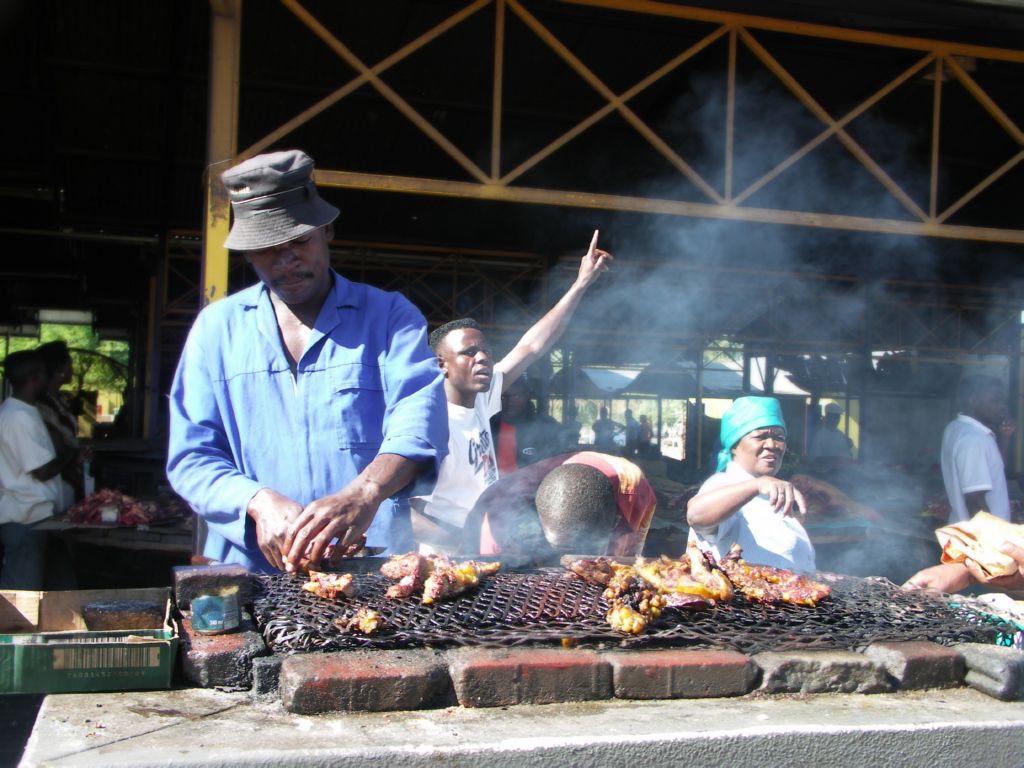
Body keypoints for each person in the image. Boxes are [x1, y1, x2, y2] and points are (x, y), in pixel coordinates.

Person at [166, 149, 448, 574]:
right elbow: (191, 456)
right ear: (246, 253)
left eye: (299, 241)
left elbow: (420, 419)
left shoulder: (389, 317)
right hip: (254, 570)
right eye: (266, 249)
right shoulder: (216, 330)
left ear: (326, 229)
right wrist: (256, 501)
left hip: (371, 566)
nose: (286, 261)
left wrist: (366, 491)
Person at [415, 231, 612, 552]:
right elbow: (405, 515)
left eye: (486, 351)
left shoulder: (481, 399)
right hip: (447, 560)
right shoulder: (427, 423)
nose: (482, 357)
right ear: (441, 365)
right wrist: (465, 542)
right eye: (468, 352)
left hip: (487, 547)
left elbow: (532, 345)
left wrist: (580, 284)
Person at [687, 396, 815, 573]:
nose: (771, 444)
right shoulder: (723, 483)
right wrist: (758, 485)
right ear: (734, 445)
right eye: (760, 436)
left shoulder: (770, 490)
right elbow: (695, 515)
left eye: (779, 437)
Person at [465, 451, 656, 564]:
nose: (570, 558)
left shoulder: (632, 490)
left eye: (586, 544)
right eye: (561, 548)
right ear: (537, 520)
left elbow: (627, 557)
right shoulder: (500, 509)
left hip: (624, 485)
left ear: (614, 523)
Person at [0, 350, 80, 588]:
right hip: (25, 519)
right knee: (22, 594)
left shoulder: (23, 411)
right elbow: (42, 471)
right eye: (45, 373)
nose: (49, 379)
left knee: (60, 588)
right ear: (35, 377)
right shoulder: (17, 417)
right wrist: (69, 455)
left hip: (40, 517)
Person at [939, 374, 1014, 525]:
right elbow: (975, 501)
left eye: (1002, 400)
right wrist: (992, 541)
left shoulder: (956, 427)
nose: (1002, 406)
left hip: (963, 532)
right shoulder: (975, 440)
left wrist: (1005, 438)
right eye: (995, 400)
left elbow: (996, 470)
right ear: (972, 401)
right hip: (980, 541)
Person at [35, 341, 88, 499]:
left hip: (65, 479)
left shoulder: (58, 401)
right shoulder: (41, 405)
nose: (72, 368)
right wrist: (73, 456)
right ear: (59, 368)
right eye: (69, 363)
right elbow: (55, 446)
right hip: (56, 483)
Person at [491, 375, 565, 474]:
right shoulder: (489, 425)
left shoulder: (546, 426)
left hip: (534, 487)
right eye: (504, 396)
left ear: (527, 395)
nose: (510, 402)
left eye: (516, 396)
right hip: (493, 487)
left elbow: (557, 464)